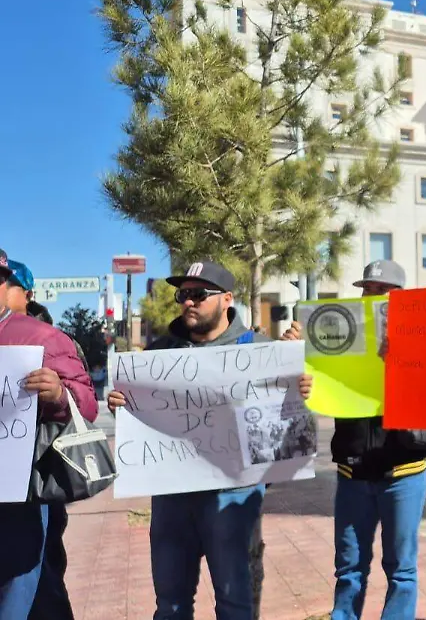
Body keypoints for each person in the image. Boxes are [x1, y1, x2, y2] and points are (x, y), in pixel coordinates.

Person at [106, 261, 312, 620]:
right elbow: (141, 418)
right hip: (171, 496)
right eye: (183, 294)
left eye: (198, 294)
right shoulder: (156, 355)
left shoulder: (259, 350)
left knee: (234, 603)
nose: (188, 302)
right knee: (170, 605)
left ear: (227, 299)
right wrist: (120, 406)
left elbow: (290, 426)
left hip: (233, 494)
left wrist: (299, 392)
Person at [331, 260, 426, 620]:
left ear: (401, 297)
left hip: (404, 473)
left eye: (381, 290)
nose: (371, 296)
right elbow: (321, 388)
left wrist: (405, 361)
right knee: (349, 570)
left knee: (401, 570)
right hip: (353, 474)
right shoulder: (342, 337)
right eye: (367, 289)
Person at [0, 248, 97, 618]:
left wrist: (58, 394)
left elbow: (86, 406)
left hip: (19, 499)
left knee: (22, 593)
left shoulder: (43, 337)